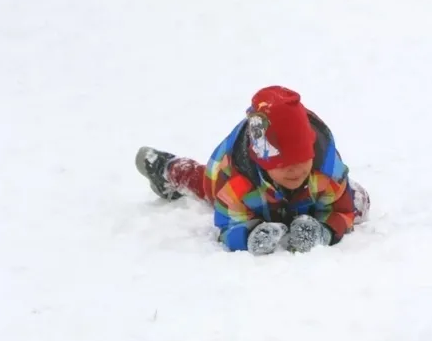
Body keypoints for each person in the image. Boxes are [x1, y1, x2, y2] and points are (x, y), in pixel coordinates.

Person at [134, 85, 369, 254]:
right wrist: (249, 236)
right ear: (263, 162)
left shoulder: (326, 172)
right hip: (243, 187)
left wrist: (324, 231)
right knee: (206, 186)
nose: (295, 170)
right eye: (283, 164)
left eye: (302, 159)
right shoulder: (236, 182)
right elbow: (227, 227)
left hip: (309, 195)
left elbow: (342, 210)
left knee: (357, 202)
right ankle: (167, 169)